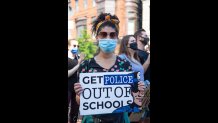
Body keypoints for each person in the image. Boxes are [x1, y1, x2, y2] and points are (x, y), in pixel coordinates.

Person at [74, 13, 145, 123]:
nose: (108, 38)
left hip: (120, 119)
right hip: (93, 120)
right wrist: (79, 94)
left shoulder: (125, 65)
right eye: (103, 34)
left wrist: (138, 90)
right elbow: (79, 101)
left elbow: (131, 98)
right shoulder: (86, 65)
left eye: (112, 35)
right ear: (97, 37)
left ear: (117, 38)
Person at [68, 39, 85, 123]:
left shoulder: (78, 58)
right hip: (68, 88)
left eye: (77, 46)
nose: (76, 47)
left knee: (75, 110)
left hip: (76, 88)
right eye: (74, 46)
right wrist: (78, 64)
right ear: (68, 47)